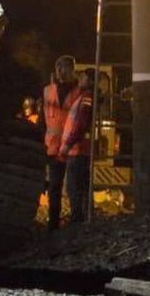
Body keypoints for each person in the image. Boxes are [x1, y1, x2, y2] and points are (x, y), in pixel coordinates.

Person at [40, 54, 80, 231]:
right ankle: (53, 223)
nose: (61, 71)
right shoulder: (47, 91)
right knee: (55, 187)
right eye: (59, 67)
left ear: (72, 70)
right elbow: (42, 120)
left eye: (65, 67)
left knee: (73, 187)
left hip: (72, 148)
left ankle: (76, 222)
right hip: (54, 148)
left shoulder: (80, 91)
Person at [59, 67, 94, 224]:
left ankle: (77, 219)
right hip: (79, 149)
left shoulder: (86, 97)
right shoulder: (82, 96)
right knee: (82, 186)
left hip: (78, 149)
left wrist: (68, 144)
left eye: (83, 77)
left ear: (90, 80)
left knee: (73, 187)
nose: (80, 79)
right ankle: (85, 219)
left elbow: (80, 124)